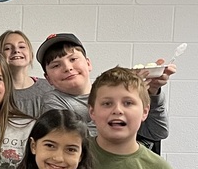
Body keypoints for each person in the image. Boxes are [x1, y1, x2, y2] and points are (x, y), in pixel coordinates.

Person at [37, 33, 170, 147]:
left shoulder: (115, 94)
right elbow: (73, 143)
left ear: (88, 63)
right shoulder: (52, 101)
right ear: (48, 78)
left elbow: (158, 132)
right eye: (56, 65)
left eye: (73, 59)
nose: (67, 67)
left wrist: (153, 93)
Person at [0, 29, 53, 117]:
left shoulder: (49, 88)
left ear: (30, 53)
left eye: (21, 47)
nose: (16, 51)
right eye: (7, 48)